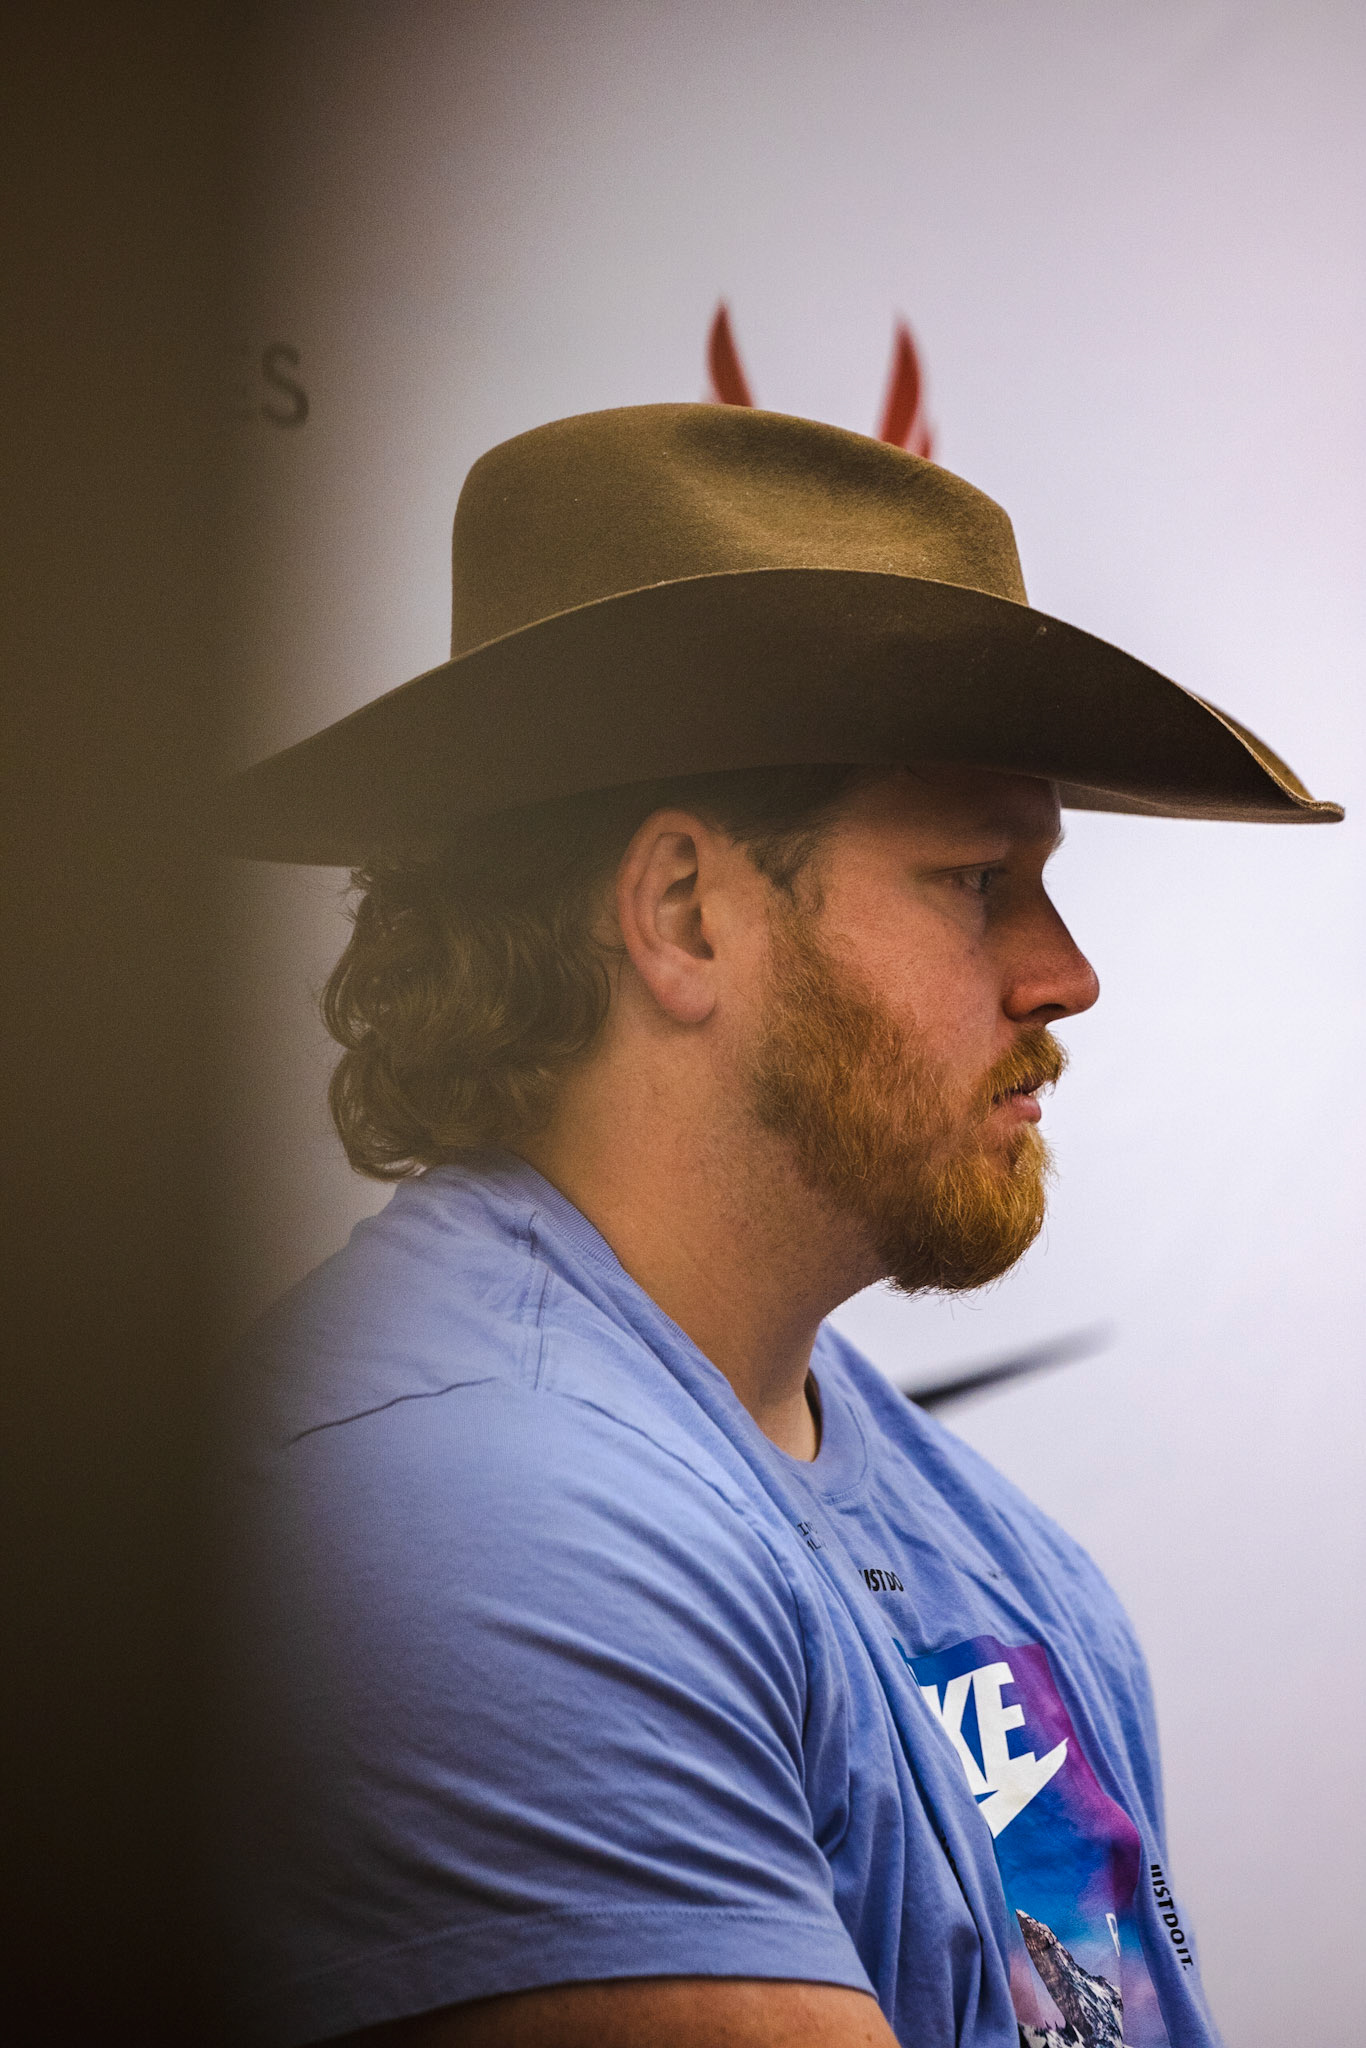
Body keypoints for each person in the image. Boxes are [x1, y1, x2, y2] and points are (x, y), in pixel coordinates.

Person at [220, 402, 1341, 2048]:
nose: (1065, 975)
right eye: (976, 880)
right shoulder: (470, 1510)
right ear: (683, 914)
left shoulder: (988, 1550)